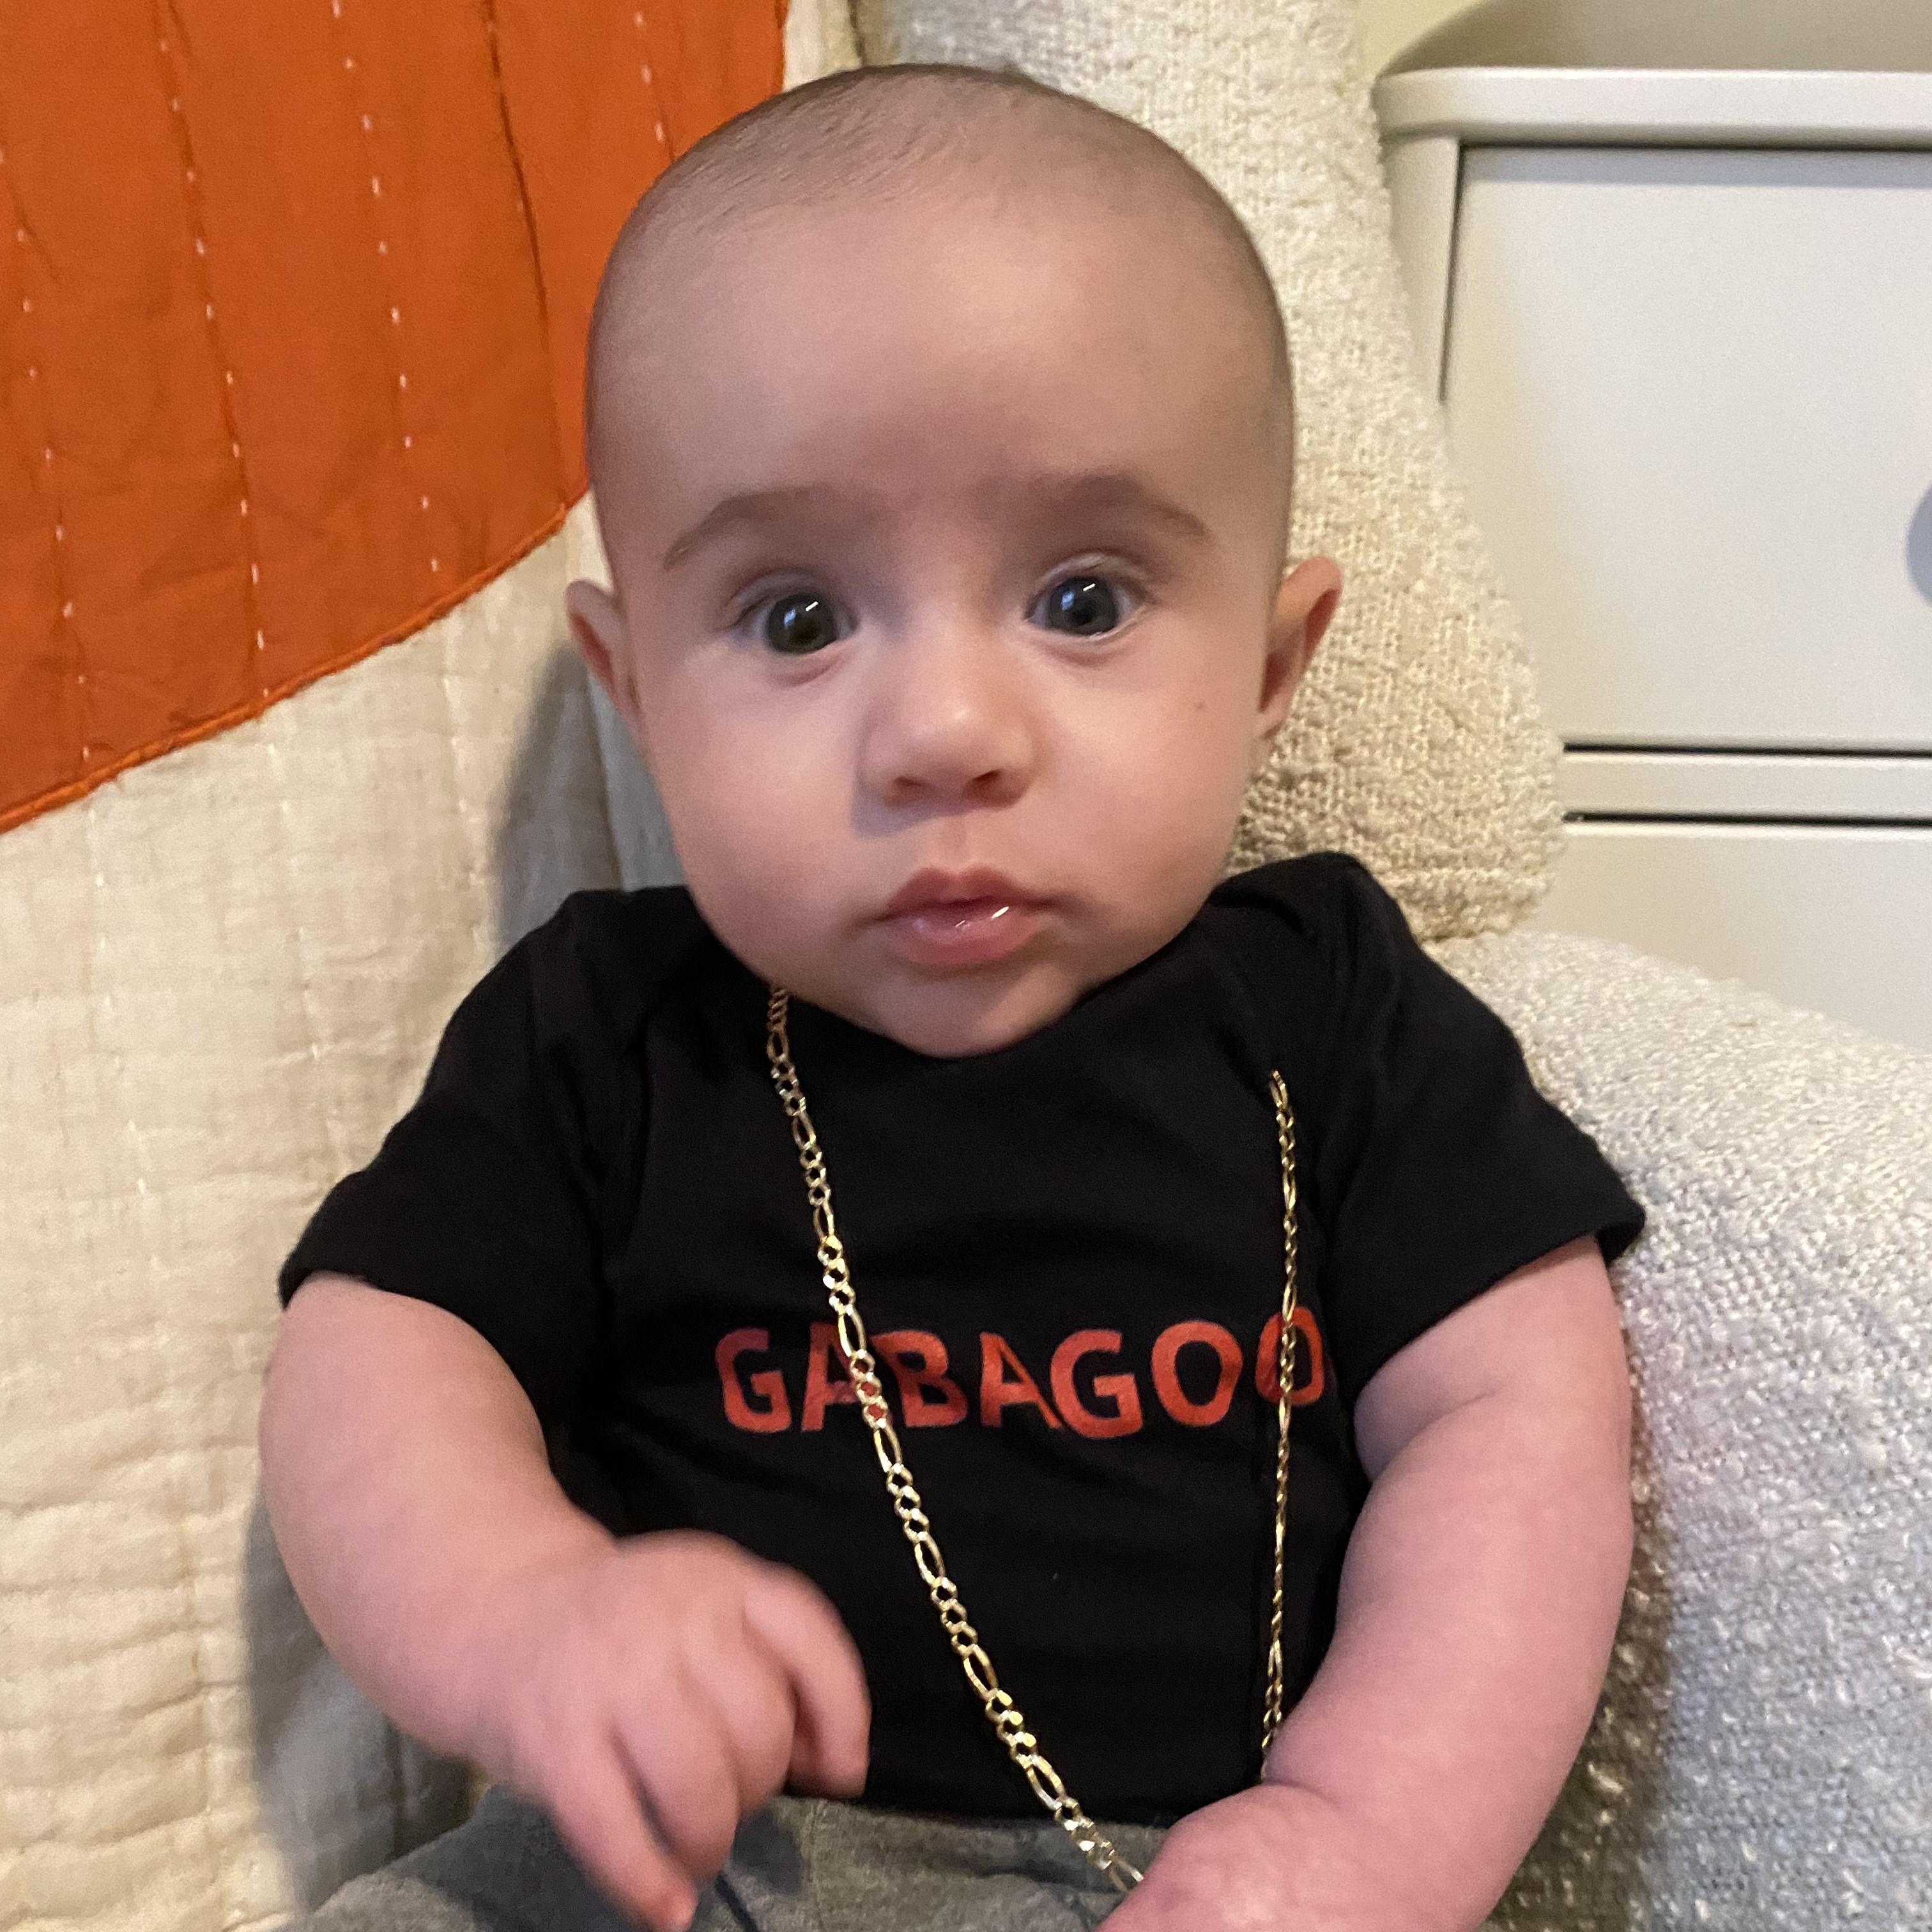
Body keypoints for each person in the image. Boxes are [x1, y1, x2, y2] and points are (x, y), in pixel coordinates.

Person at [260, 61, 1646, 1932]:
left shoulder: (1331, 1014)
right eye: (799, 619)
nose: (944, 734)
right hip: (688, 1864)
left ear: (1270, 665)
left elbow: (1516, 1424)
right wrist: (527, 1617)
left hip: (1206, 1871)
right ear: (634, 688)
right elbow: (375, 1360)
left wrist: (1364, 1832)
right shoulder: (610, 1036)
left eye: (1083, 600)